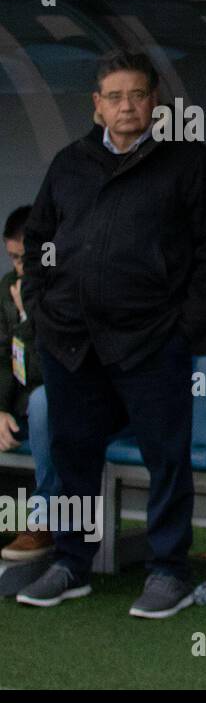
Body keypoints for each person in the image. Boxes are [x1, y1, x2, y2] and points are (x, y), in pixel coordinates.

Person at [16, 51, 206, 617]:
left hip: (150, 344)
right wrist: (44, 310)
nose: (125, 106)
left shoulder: (189, 164)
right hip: (70, 343)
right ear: (96, 105)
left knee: (166, 460)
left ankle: (168, 572)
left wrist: (181, 331)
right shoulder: (70, 163)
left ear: (154, 100)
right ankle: (71, 562)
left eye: (136, 95)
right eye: (113, 97)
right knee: (73, 460)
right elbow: (39, 240)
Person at [0, 207, 55, 563]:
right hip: (17, 402)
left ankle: (43, 523)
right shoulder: (7, 288)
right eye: (12, 258)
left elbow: (46, 369)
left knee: (43, 403)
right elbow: (2, 356)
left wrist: (27, 316)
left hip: (57, 401)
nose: (18, 267)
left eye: (24, 258)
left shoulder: (61, 288)